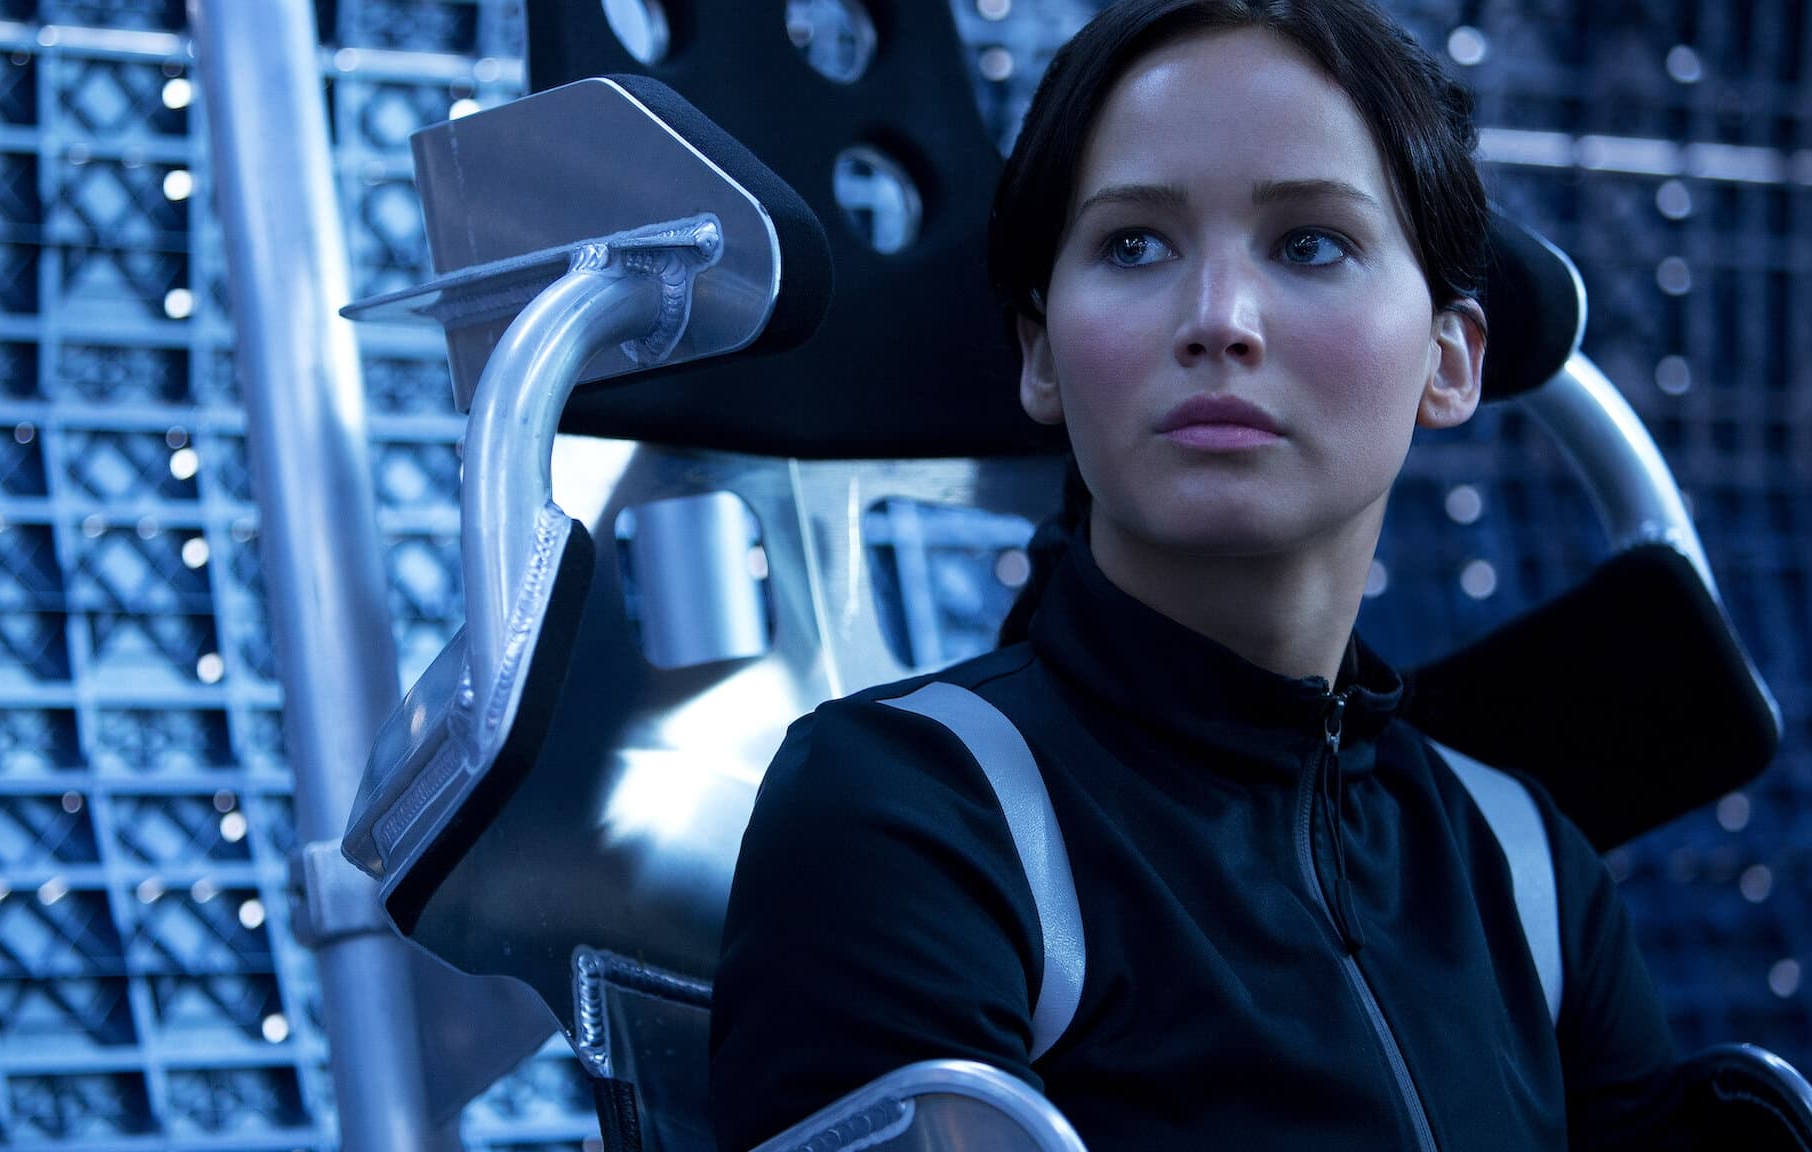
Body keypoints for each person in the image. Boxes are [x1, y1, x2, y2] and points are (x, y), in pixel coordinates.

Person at [708, 1, 1696, 1149]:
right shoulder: (911, 814)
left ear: (1448, 360)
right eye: (1133, 245)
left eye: (1308, 243)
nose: (1218, 320)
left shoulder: (1527, 874)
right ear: (1039, 353)